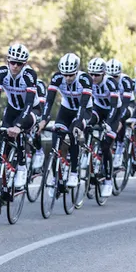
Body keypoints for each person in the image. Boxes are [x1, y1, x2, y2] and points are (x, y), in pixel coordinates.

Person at [39, 53, 93, 188]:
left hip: (84, 110)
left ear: (77, 71)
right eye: (65, 75)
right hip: (66, 109)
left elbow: (83, 104)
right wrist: (44, 119)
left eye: (71, 75)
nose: (68, 78)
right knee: (55, 139)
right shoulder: (57, 77)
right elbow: (49, 100)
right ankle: (55, 176)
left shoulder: (85, 79)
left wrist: (79, 123)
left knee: (74, 133)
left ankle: (74, 173)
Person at [0, 43, 39, 190]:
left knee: (19, 129)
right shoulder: (1, 73)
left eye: (19, 64)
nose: (15, 66)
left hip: (31, 110)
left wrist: (18, 126)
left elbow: (29, 103)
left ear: (25, 64)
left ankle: (22, 167)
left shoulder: (29, 75)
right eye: (12, 62)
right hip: (12, 109)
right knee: (2, 143)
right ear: (7, 60)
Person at [87, 57, 121, 196]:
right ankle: (88, 159)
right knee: (87, 123)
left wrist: (108, 124)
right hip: (98, 109)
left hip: (113, 112)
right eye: (92, 74)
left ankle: (108, 180)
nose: (94, 77)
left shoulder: (111, 83)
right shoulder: (88, 82)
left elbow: (113, 106)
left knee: (106, 146)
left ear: (104, 74)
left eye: (97, 75)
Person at [105, 58, 136, 168]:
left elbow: (126, 102)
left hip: (127, 105)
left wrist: (117, 119)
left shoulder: (126, 81)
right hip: (112, 104)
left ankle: (120, 146)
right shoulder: (104, 81)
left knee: (119, 117)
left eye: (116, 77)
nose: (113, 79)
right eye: (110, 77)